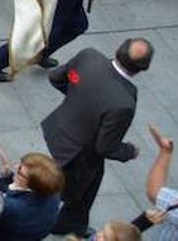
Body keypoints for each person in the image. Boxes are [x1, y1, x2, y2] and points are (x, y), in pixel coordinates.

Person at [42, 38, 153, 237]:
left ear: (120, 49)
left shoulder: (89, 56)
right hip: (79, 153)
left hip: (57, 130)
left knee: (61, 181)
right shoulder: (124, 101)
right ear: (142, 68)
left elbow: (56, 77)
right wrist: (129, 151)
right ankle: (66, 224)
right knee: (82, 193)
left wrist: (78, 98)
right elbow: (105, 147)